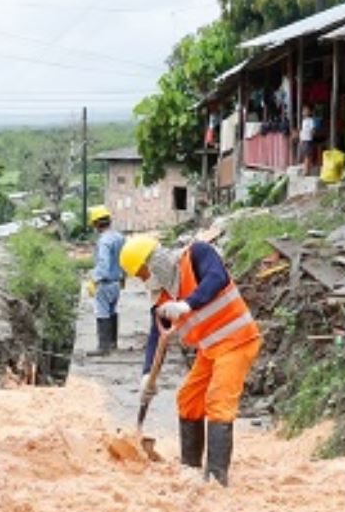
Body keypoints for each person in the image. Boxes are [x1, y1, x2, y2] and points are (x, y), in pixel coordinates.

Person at [121, 233, 261, 485]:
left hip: (238, 340)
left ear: (153, 262)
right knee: (188, 398)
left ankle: (217, 478)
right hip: (210, 350)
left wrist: (187, 304)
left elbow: (216, 278)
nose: (143, 281)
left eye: (142, 273)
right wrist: (146, 376)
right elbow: (156, 336)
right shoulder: (162, 297)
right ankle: (191, 469)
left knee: (218, 402)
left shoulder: (197, 254)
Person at [88, 206, 124, 355]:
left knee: (102, 312)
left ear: (96, 224)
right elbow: (124, 259)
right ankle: (112, 343)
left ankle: (103, 348)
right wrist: (123, 277)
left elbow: (103, 263)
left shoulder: (104, 241)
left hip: (105, 283)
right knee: (112, 311)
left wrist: (94, 280)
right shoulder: (119, 237)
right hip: (116, 282)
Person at [297, 105, 318, 172]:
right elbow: (302, 131)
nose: (304, 112)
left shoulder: (310, 120)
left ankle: (306, 170)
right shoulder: (304, 121)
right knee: (306, 155)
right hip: (304, 140)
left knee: (307, 155)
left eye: (306, 111)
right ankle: (307, 169)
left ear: (309, 112)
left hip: (308, 140)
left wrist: (311, 135)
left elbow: (313, 129)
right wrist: (301, 139)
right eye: (303, 111)